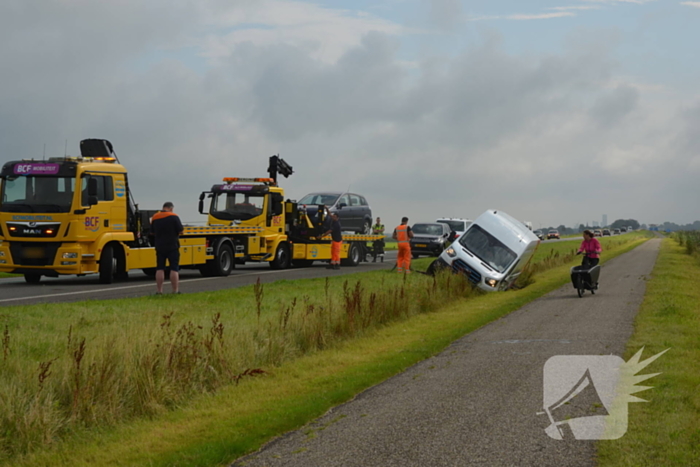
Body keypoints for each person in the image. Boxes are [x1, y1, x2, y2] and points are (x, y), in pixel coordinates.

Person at [151, 201, 184, 294]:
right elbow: (181, 231)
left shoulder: (155, 217)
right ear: (171, 208)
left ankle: (159, 291)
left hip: (160, 246)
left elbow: (152, 232)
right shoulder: (174, 216)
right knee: (174, 268)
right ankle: (175, 290)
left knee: (160, 268)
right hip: (172, 246)